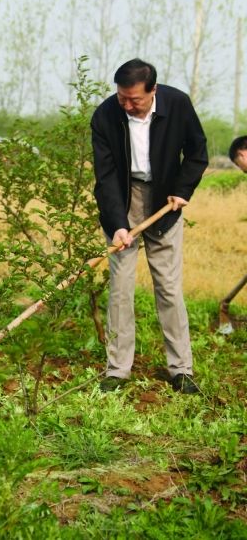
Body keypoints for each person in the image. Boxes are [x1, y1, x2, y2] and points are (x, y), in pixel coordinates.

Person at [91, 58, 208, 394]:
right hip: (124, 200)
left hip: (165, 200)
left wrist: (182, 191)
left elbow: (197, 153)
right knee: (121, 288)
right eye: (122, 98)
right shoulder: (105, 115)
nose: (128, 105)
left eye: (135, 100)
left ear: (153, 91)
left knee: (169, 287)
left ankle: (181, 370)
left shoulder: (178, 104)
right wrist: (117, 224)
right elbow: (106, 176)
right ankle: (117, 370)